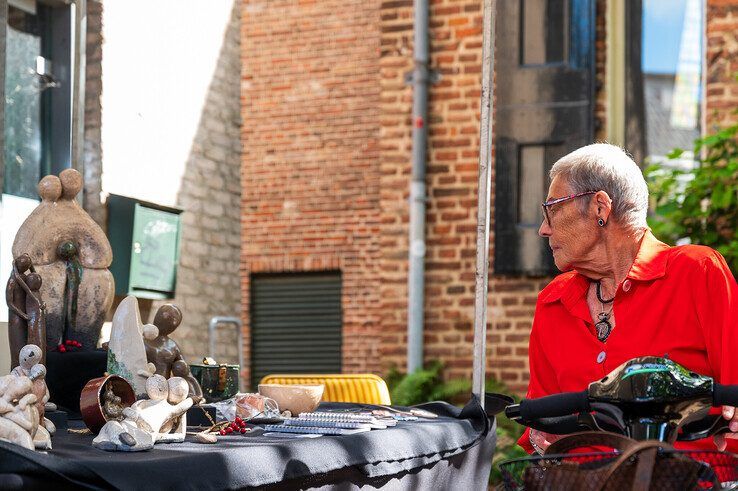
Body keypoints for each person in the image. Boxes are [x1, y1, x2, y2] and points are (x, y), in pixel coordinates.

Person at [518, 143, 738, 454]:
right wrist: (542, 434)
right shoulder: (553, 301)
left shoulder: (697, 273)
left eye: (552, 209)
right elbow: (540, 422)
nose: (543, 229)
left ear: (599, 207)